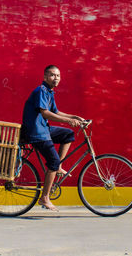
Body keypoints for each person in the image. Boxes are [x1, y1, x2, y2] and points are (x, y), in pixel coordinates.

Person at [22, 65, 84, 211]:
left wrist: (74, 117)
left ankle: (58, 167)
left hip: (44, 129)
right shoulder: (41, 91)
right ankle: (44, 198)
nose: (56, 78)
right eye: (52, 75)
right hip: (36, 132)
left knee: (68, 134)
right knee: (53, 161)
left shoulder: (49, 92)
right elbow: (45, 113)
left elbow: (56, 111)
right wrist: (68, 121)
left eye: (58, 76)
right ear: (45, 77)